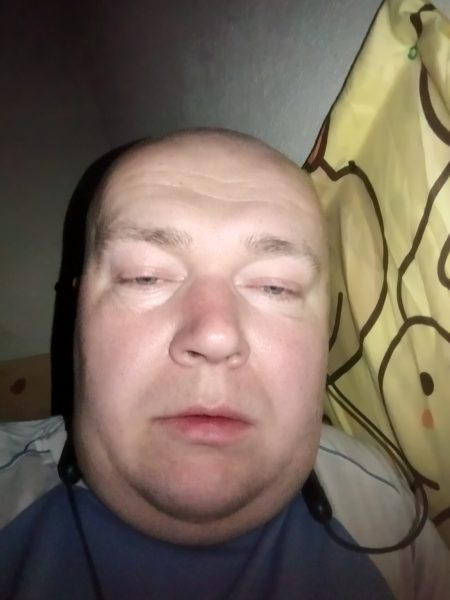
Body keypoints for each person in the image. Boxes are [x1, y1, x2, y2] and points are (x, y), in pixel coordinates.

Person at [0, 129, 449, 600]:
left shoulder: (380, 506)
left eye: (275, 287)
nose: (215, 336)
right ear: (76, 318)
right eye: (144, 277)